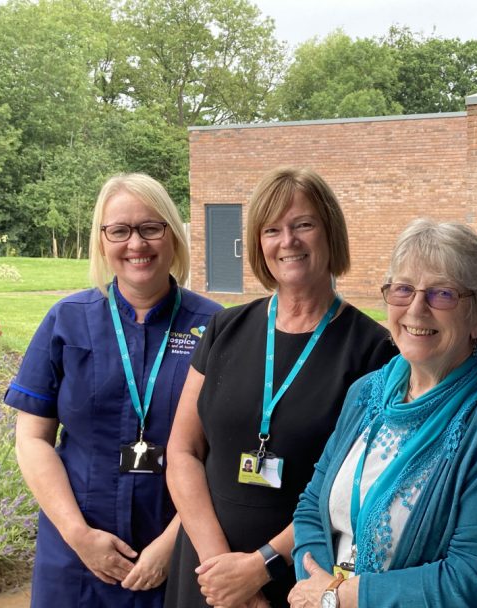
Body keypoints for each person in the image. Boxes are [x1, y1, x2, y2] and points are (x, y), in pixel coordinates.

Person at [164, 167, 396, 608]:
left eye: (303, 225)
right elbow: (182, 451)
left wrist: (258, 568)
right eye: (271, 230)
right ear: (258, 244)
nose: (287, 241)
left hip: (300, 576)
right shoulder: (224, 329)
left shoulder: (375, 351)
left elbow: (362, 486)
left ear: (330, 232)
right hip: (205, 571)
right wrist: (220, 569)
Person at [288, 219, 477, 608]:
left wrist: (339, 597)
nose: (416, 309)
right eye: (403, 289)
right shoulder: (366, 392)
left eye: (443, 294)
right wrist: (318, 586)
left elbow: (476, 578)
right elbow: (311, 507)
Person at [5, 173, 222, 607]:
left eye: (150, 228)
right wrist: (78, 536)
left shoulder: (215, 327)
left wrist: (173, 544)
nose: (136, 244)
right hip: (75, 557)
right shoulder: (66, 321)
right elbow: (31, 439)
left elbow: (223, 453)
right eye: (119, 230)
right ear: (102, 241)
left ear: (173, 236)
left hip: (179, 554)